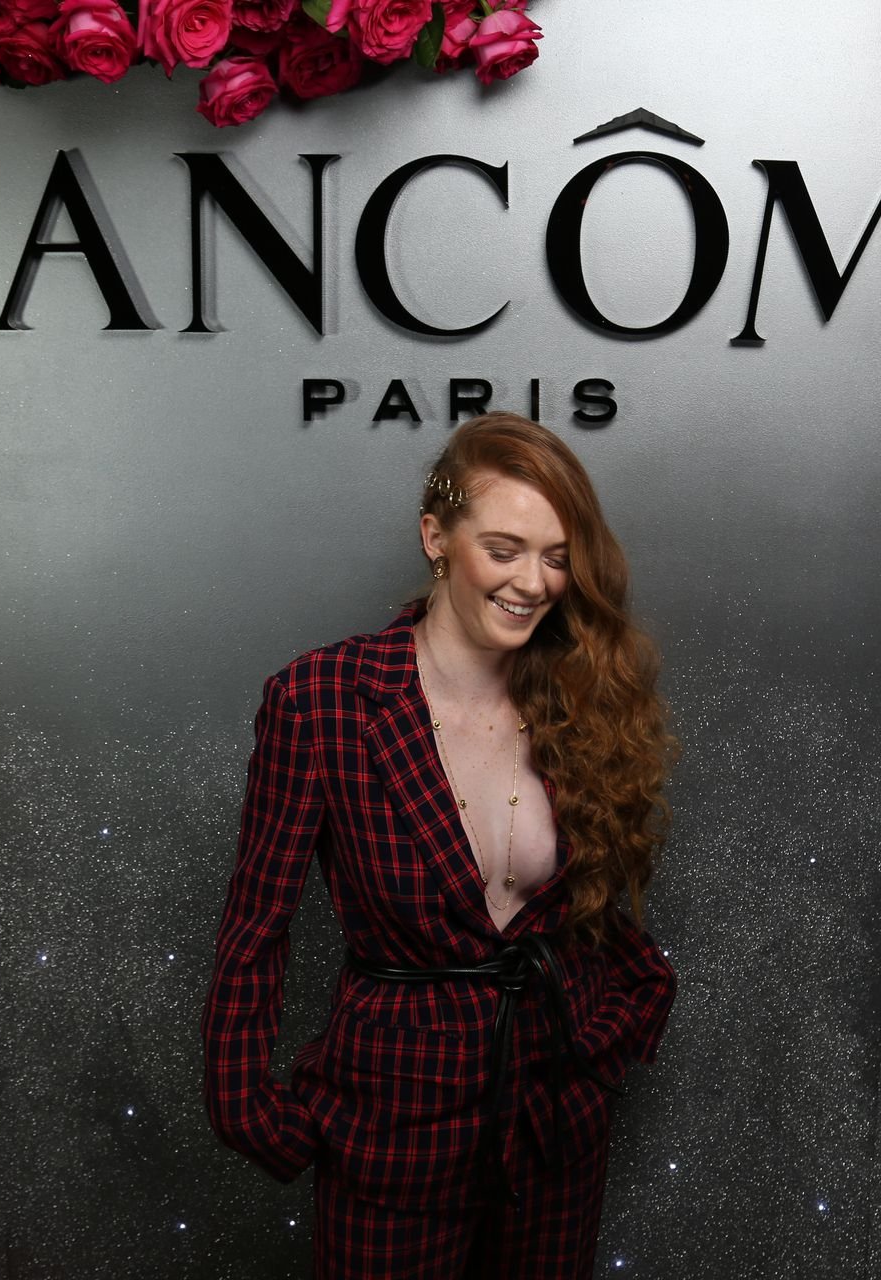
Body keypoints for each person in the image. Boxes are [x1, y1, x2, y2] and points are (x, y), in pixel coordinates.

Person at [202, 412, 680, 1279]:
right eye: (504, 549)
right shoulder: (322, 699)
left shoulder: (584, 695)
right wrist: (248, 1109)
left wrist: (608, 1038)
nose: (533, 582)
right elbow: (256, 928)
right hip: (390, 1129)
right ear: (436, 538)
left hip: (555, 1129)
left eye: (557, 556)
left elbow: (590, 908)